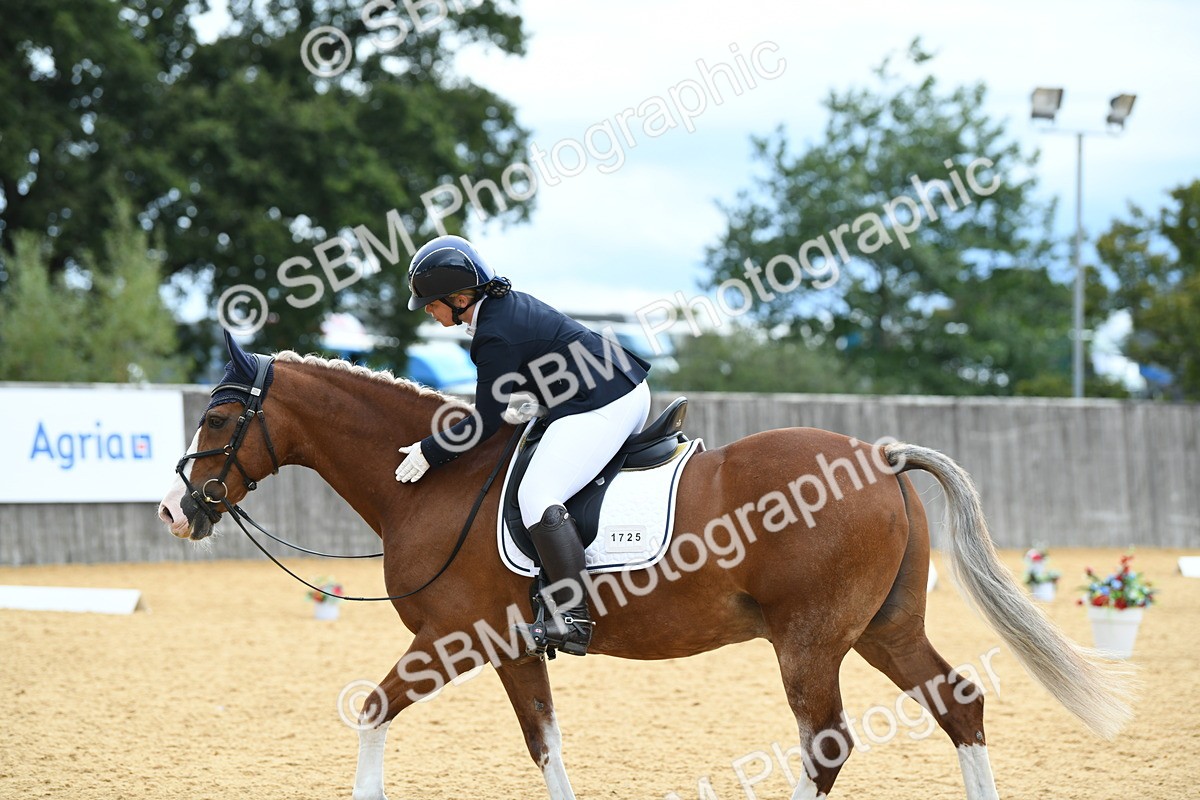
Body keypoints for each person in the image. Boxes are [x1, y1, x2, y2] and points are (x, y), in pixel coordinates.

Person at [394, 234, 651, 655]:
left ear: (460, 299)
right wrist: (532, 400)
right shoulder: (501, 310)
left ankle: (572, 618)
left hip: (606, 401)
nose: (427, 309)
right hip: (606, 388)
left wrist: (431, 450)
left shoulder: (493, 334)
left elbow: (485, 420)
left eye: (432, 301)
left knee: (537, 496)